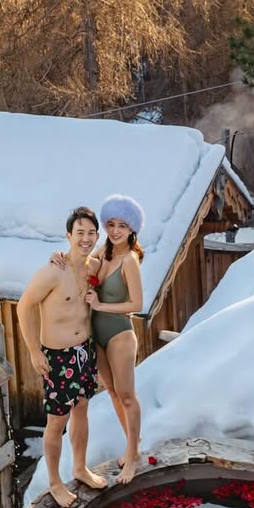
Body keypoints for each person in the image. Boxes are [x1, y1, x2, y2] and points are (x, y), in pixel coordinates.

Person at [17, 206, 107, 508]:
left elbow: (123, 247)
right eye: (79, 233)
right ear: (68, 236)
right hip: (57, 357)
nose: (85, 238)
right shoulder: (52, 271)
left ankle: (79, 468)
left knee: (82, 409)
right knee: (57, 421)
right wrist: (32, 350)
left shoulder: (93, 267)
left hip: (85, 352)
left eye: (91, 233)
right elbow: (24, 306)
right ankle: (55, 482)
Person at [86, 194, 145, 485]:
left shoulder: (129, 260)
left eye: (122, 225)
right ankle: (131, 444)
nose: (116, 231)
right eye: (111, 224)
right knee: (110, 392)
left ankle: (133, 456)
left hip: (119, 333)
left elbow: (136, 304)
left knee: (126, 396)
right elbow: (81, 265)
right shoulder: (102, 252)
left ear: (132, 229)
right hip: (97, 334)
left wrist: (100, 306)